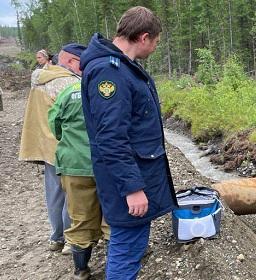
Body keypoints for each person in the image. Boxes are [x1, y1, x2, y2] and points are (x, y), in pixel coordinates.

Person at [80, 6, 177, 279]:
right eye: (156, 42)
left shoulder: (121, 67)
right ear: (144, 37)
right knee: (126, 247)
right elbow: (110, 138)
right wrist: (132, 188)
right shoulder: (109, 73)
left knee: (131, 246)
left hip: (135, 173)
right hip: (127, 181)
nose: (156, 48)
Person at [48, 43, 111, 280]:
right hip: (106, 163)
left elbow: (55, 126)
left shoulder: (67, 92)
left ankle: (81, 270)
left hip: (75, 166)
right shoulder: (106, 87)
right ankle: (117, 265)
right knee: (112, 216)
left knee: (80, 217)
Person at [19, 48, 77, 256]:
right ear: (71, 61)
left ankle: (56, 237)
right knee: (72, 195)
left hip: (44, 145)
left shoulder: (40, 79)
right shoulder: (68, 83)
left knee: (53, 194)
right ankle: (72, 239)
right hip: (66, 146)